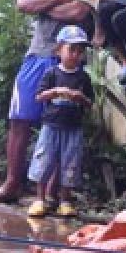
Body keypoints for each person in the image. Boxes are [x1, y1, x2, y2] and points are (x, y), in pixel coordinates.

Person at [0, 0, 101, 203]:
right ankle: (12, 185)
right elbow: (23, 3)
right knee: (20, 119)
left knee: (60, 123)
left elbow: (78, 12)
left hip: (67, 60)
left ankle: (49, 194)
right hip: (35, 54)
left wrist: (43, 5)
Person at [27, 25, 93, 219]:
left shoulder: (83, 77)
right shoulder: (52, 73)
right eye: (71, 49)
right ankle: (40, 199)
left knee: (70, 163)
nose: (75, 54)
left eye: (79, 51)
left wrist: (79, 97)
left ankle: (65, 200)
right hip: (51, 125)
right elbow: (39, 96)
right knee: (44, 160)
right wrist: (56, 92)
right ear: (59, 50)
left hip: (73, 127)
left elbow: (90, 103)